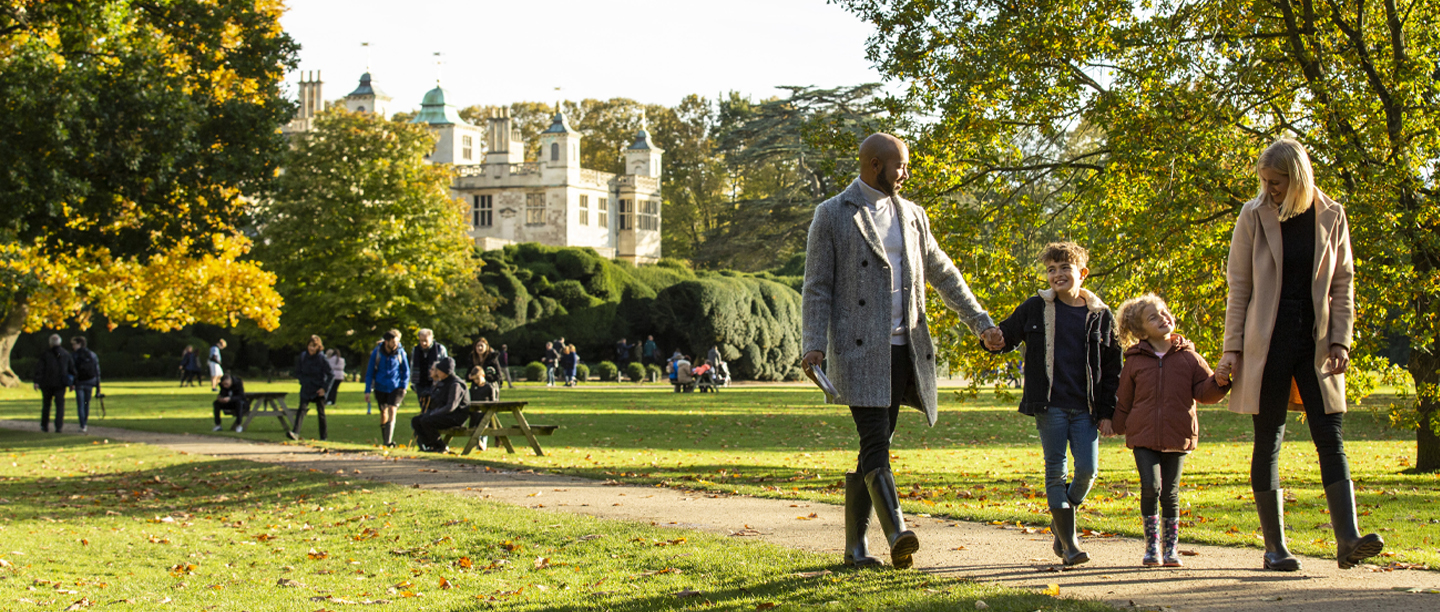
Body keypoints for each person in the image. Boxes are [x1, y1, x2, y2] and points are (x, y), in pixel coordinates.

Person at [802, 133, 1003, 570]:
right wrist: (813, 346)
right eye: (901, 165)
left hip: (905, 349)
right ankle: (897, 531)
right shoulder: (833, 214)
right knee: (875, 440)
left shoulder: (912, 215)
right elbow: (817, 287)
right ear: (875, 164)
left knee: (876, 444)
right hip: (858, 351)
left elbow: (944, 274)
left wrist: (981, 322)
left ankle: (855, 550)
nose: (906, 172)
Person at [1213, 138, 1382, 571]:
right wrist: (1232, 350)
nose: (1268, 189)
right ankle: (1275, 549)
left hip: (1318, 345)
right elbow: (1240, 290)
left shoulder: (1332, 215)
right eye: (1264, 181)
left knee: (1330, 436)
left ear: (1298, 177)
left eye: (1276, 182)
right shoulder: (1252, 216)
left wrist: (1342, 339)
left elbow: (1343, 284)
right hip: (1265, 347)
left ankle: (1348, 540)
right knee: (1269, 439)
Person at [988, 242, 1122, 566]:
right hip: (1050, 406)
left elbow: (1114, 368)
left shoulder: (1102, 316)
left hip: (1086, 409)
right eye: (1051, 269)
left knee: (1087, 471)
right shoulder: (1035, 307)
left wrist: (1108, 413)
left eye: (1064, 268)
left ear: (1082, 273)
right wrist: (991, 338)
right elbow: (1006, 334)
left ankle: (1061, 522)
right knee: (1055, 469)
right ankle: (1070, 544)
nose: (1057, 274)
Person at [1111, 294, 1230, 567]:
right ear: (1141, 331)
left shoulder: (1189, 357)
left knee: (1170, 493)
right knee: (1150, 488)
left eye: (1164, 312)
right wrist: (1114, 425)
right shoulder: (1135, 362)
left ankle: (1171, 549)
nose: (1163, 318)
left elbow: (1204, 391)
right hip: (1143, 435)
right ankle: (1152, 547)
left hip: (1177, 435)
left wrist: (1220, 382)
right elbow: (1124, 400)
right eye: (1154, 317)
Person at [411, 357, 469, 453]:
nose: (437, 373)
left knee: (427, 420)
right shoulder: (443, 383)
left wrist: (434, 413)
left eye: (439, 370)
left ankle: (440, 446)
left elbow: (451, 406)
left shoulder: (456, 384)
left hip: (456, 417)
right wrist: (430, 396)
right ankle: (430, 445)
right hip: (445, 414)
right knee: (416, 420)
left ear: (445, 372)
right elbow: (439, 401)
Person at [365, 330, 410, 447]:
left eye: (398, 342)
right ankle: (385, 438)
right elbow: (370, 371)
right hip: (380, 386)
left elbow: (406, 370)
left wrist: (404, 386)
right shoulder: (377, 352)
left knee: (392, 410)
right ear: (387, 341)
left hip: (395, 386)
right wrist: (367, 390)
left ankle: (388, 441)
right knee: (383, 412)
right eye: (394, 342)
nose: (396, 344)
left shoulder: (400, 352)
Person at [289, 335, 334, 441]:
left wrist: (324, 388)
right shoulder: (303, 356)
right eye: (310, 346)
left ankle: (324, 437)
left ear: (318, 347)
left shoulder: (321, 358)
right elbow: (298, 371)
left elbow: (331, 374)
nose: (311, 348)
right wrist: (303, 382)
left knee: (321, 413)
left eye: (314, 346)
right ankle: (295, 432)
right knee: (302, 410)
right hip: (306, 387)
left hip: (319, 388)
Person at [33, 334, 76, 433]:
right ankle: (59, 426)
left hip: (47, 383)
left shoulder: (45, 354)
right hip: (60, 384)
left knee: (46, 405)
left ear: (50, 343)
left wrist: (37, 381)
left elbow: (40, 369)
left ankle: (44, 425)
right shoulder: (65, 354)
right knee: (60, 406)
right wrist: (72, 383)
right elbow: (71, 370)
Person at [410, 329, 447, 412]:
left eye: (426, 341)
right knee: (423, 407)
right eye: (421, 340)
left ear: (432, 338)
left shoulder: (440, 349)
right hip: (420, 383)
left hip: (436, 383)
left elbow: (446, 366)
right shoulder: (415, 350)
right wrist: (413, 383)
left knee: (435, 406)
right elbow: (412, 366)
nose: (423, 343)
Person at [69, 336, 101, 433]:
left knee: (80, 404)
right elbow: (97, 370)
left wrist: (71, 382)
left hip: (79, 383)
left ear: (79, 344)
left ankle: (82, 424)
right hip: (90, 382)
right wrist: (98, 385)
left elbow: (71, 370)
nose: (73, 346)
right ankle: (85, 423)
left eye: (74, 344)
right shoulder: (92, 355)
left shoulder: (74, 356)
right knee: (86, 403)